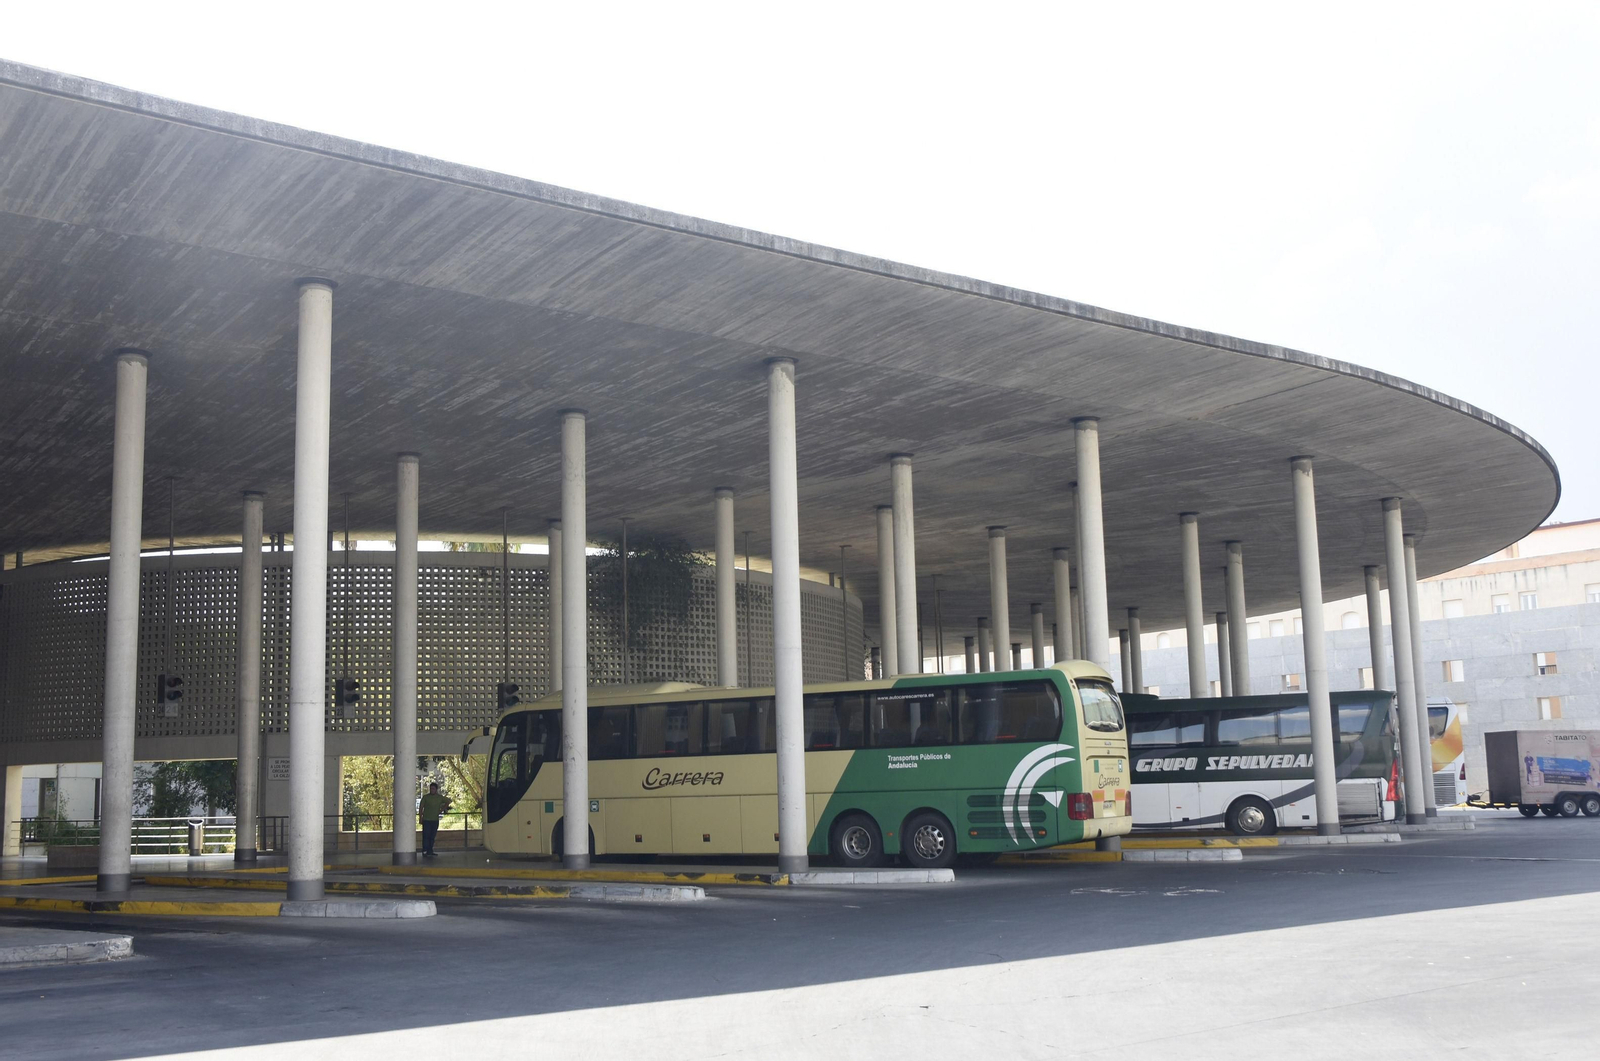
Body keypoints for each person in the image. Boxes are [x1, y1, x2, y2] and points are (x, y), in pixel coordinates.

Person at [419, 781, 452, 859]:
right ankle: (425, 850)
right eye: (431, 789)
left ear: (436, 789)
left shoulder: (439, 797)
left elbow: (448, 801)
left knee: (432, 836)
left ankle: (430, 850)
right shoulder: (426, 797)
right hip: (426, 819)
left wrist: (441, 809)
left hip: (435, 820)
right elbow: (421, 808)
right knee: (426, 835)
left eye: (433, 789)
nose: (432, 790)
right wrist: (420, 818)